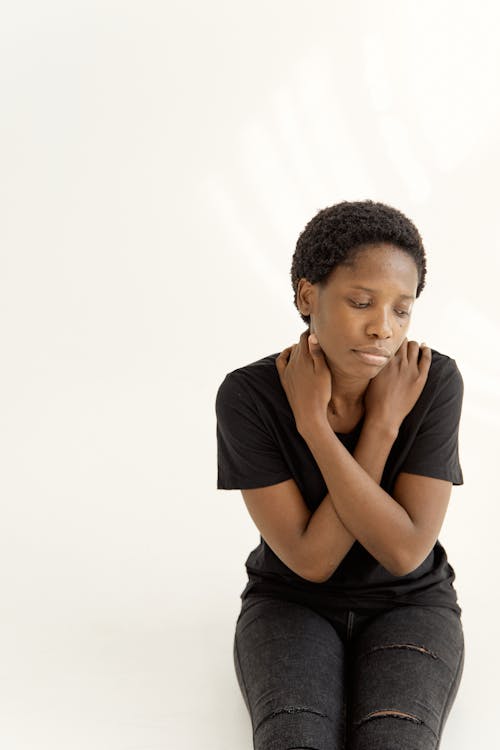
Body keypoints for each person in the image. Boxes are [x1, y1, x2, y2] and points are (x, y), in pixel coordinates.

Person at [215, 200, 465, 750]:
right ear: (308, 296)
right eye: (361, 302)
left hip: (411, 604)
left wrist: (378, 425)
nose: (383, 328)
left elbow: (404, 553)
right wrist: (313, 423)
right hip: (290, 601)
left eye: (403, 309)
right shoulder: (249, 396)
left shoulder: (433, 380)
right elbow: (312, 561)